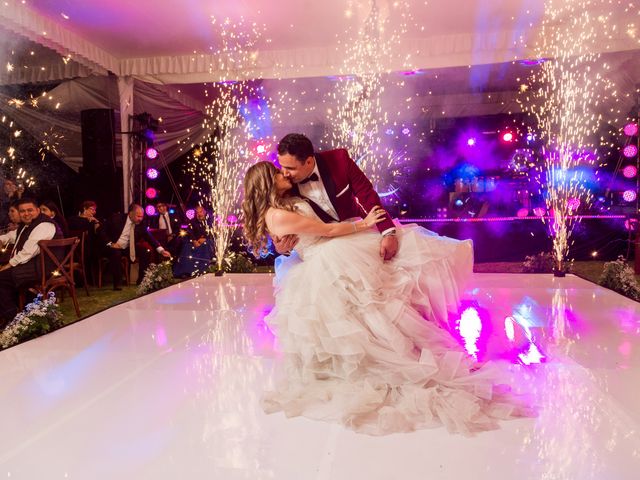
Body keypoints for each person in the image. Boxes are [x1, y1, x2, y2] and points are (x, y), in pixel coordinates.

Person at [242, 161, 531, 436]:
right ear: (268, 183)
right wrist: (362, 224)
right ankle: (394, 365)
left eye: (286, 168)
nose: (285, 174)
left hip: (332, 251)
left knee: (376, 308)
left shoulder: (287, 201)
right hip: (328, 255)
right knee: (368, 312)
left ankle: (409, 355)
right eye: (278, 173)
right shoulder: (278, 213)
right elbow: (326, 229)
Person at [274, 133, 398, 261]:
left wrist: (388, 232)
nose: (284, 173)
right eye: (282, 166)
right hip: (324, 251)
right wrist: (282, 248)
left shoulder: (340, 160)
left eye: (290, 168)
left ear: (309, 161)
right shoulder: (285, 185)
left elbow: (367, 195)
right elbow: (282, 226)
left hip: (360, 233)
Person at [0, 197, 61, 325]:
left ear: (38, 210)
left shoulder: (44, 225)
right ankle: (15, 313)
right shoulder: (26, 226)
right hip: (32, 266)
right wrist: (2, 239)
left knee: (2, 278)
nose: (26, 213)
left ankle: (13, 319)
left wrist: (9, 264)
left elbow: (28, 251)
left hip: (43, 268)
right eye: (22, 211)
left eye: (30, 210)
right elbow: (11, 236)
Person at [98, 203, 170, 290]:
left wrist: (161, 250)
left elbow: (150, 238)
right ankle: (117, 284)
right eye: (138, 216)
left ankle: (142, 281)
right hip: (111, 247)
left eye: (142, 216)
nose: (140, 219)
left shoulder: (141, 224)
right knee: (116, 253)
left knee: (145, 252)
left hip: (127, 247)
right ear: (130, 214)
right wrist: (110, 243)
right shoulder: (116, 218)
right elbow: (101, 230)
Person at [172, 206, 214, 278]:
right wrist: (194, 240)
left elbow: (213, 232)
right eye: (197, 212)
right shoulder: (192, 221)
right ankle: (186, 270)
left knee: (205, 244)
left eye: (200, 212)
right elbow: (190, 232)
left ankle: (203, 268)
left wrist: (205, 239)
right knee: (187, 246)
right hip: (195, 241)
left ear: (204, 212)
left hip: (207, 240)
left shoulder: (210, 221)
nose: (199, 214)